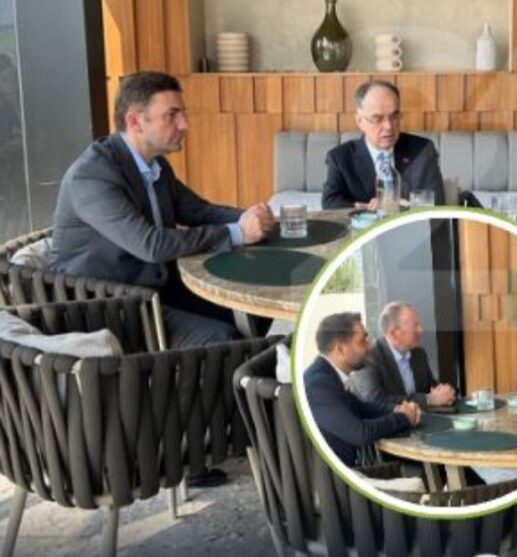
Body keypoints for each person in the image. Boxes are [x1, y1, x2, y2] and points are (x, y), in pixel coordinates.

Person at [49, 71, 275, 348]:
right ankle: (223, 371)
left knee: (256, 305)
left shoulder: (155, 164)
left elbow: (197, 211)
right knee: (220, 337)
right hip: (104, 305)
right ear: (135, 122)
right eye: (172, 115)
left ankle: (247, 368)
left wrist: (249, 217)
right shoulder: (92, 176)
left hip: (153, 287)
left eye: (183, 114)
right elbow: (151, 245)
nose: (184, 124)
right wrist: (236, 232)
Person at [303, 312, 421, 467]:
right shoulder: (318, 384)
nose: (370, 346)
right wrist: (404, 417)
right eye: (362, 341)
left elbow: (362, 408)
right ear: (341, 349)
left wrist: (397, 409)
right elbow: (360, 434)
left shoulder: (327, 375)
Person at [321, 80, 445, 210]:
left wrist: (403, 208)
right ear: (360, 121)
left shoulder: (422, 150)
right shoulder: (341, 158)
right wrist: (367, 208)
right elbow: (330, 203)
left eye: (394, 116)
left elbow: (437, 203)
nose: (389, 126)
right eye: (377, 119)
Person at [351, 302, 456, 409]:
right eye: (415, 326)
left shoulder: (418, 354)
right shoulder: (368, 358)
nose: (421, 330)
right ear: (394, 334)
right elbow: (376, 401)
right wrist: (428, 400)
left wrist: (444, 391)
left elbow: (429, 387)